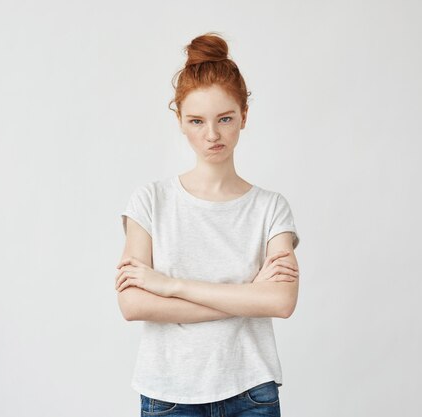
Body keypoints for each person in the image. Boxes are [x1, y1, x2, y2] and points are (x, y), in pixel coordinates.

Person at [115, 32, 301, 417]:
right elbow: (132, 304)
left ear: (244, 116)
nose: (212, 135)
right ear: (180, 121)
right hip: (168, 394)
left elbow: (281, 301)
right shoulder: (150, 201)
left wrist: (171, 287)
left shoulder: (271, 208)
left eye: (225, 118)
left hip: (251, 391)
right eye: (197, 121)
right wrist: (248, 295)